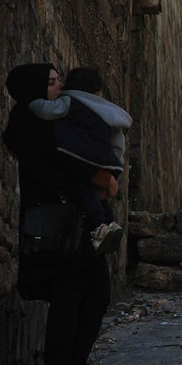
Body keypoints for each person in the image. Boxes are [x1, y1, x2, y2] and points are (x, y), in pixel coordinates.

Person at [4, 64, 113, 365]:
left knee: (92, 296)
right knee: (71, 301)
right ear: (36, 89)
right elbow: (64, 164)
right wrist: (99, 178)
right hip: (62, 228)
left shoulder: (44, 121)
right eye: (52, 83)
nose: (59, 88)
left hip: (73, 226)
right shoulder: (30, 124)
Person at [29, 67, 132, 252]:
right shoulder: (105, 112)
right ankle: (110, 224)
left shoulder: (70, 101)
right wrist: (115, 167)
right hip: (107, 160)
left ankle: (99, 228)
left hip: (82, 158)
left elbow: (48, 111)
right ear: (95, 91)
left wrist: (33, 103)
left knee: (86, 191)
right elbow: (118, 142)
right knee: (96, 196)